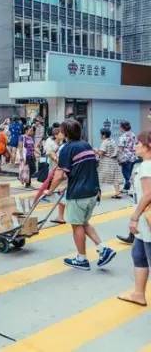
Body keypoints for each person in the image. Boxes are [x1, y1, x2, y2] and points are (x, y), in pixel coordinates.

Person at [45, 119, 117, 270]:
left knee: (77, 225)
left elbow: (59, 175)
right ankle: (103, 248)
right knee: (84, 222)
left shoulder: (67, 148)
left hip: (79, 193)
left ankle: (81, 259)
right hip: (93, 191)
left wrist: (49, 191)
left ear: (65, 133)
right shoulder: (86, 145)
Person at [117, 130, 151, 307]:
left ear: (148, 146)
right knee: (138, 254)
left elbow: (148, 195)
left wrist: (134, 216)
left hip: (147, 219)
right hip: (145, 223)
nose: (135, 146)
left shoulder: (146, 166)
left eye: (139, 143)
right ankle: (138, 293)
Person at [44, 127, 67, 224]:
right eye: (61, 133)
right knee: (62, 193)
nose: (63, 134)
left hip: (62, 172)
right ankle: (60, 216)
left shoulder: (62, 144)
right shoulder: (50, 142)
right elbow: (50, 154)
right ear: (56, 135)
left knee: (63, 193)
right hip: (57, 170)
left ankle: (61, 216)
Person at [96, 128, 124, 199]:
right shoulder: (112, 141)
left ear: (104, 135)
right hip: (114, 162)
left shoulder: (104, 142)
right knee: (115, 178)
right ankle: (118, 193)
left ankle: (98, 195)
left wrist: (95, 150)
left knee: (99, 178)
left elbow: (101, 153)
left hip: (106, 162)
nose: (100, 135)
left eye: (101, 134)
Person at [118, 121, 138, 195]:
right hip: (133, 157)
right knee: (129, 173)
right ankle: (126, 188)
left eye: (120, 127)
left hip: (125, 158)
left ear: (122, 127)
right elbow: (136, 144)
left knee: (126, 174)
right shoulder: (133, 135)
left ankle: (131, 189)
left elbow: (120, 149)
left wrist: (119, 159)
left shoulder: (122, 136)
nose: (119, 128)